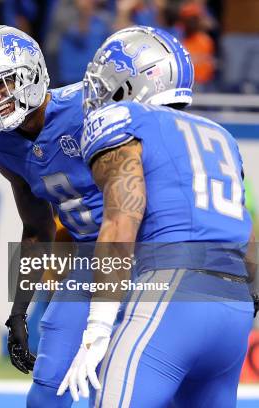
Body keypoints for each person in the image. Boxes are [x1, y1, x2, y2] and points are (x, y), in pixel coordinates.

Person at [57, 26, 254, 407]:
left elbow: (121, 219)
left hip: (172, 291)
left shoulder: (125, 120)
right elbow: (241, 229)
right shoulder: (221, 136)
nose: (98, 94)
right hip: (235, 304)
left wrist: (97, 328)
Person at [0, 25, 103, 408]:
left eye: (1, 84)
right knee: (46, 391)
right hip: (91, 261)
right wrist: (19, 310)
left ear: (31, 73)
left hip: (148, 255)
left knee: (127, 390)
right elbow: (36, 228)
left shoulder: (89, 107)